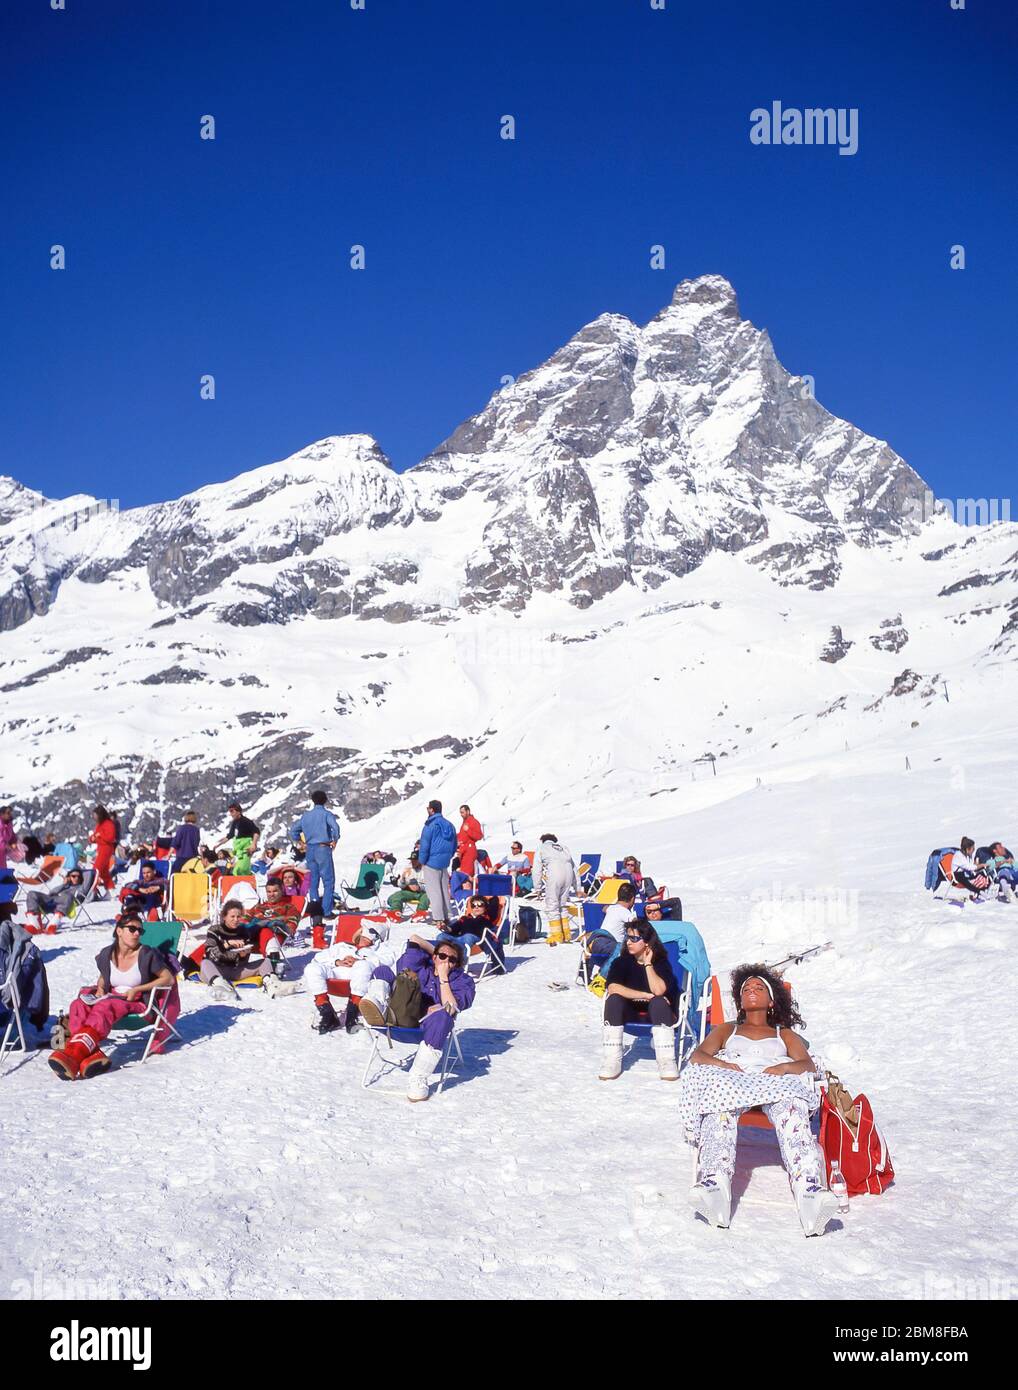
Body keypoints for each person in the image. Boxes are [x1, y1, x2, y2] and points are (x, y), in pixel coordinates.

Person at [680, 965, 838, 1236]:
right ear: (740, 1002)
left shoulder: (782, 1034)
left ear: (771, 1000)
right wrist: (722, 1064)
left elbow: (806, 1065)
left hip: (773, 1082)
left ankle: (809, 1187)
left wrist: (783, 1068)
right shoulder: (727, 1030)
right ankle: (715, 1182)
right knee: (720, 1106)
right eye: (746, 989)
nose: (752, 991)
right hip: (733, 1083)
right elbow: (699, 1057)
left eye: (759, 988)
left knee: (792, 1109)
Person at [49, 912, 177, 1080]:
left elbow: (169, 978)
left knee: (104, 1007)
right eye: (132, 929)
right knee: (77, 1005)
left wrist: (138, 988)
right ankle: (91, 1057)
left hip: (137, 1002)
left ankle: (73, 1055)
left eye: (140, 931)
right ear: (119, 931)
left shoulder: (147, 954)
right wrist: (101, 988)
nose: (137, 933)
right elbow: (104, 976)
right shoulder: (107, 954)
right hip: (111, 997)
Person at [358, 938, 476, 1102]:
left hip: (427, 1028)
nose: (446, 961)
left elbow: (452, 1008)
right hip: (401, 1015)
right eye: (442, 956)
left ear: (457, 964)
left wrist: (443, 977)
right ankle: (379, 1010)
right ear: (433, 957)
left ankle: (418, 1079)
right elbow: (414, 939)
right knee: (383, 971)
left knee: (444, 1015)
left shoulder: (463, 980)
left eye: (452, 959)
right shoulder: (422, 967)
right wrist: (433, 952)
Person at [598, 921, 680, 1082]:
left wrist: (648, 964)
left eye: (634, 939)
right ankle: (612, 1060)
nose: (629, 942)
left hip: (661, 1014)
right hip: (631, 1012)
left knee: (658, 1001)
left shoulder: (661, 963)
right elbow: (613, 987)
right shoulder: (621, 962)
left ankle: (666, 1061)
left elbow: (658, 991)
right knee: (614, 1000)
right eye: (628, 938)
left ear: (647, 942)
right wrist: (644, 995)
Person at [303, 922, 399, 1034]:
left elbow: (389, 960)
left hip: (361, 979)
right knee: (311, 968)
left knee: (362, 966)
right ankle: (327, 1014)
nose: (363, 939)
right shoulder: (342, 946)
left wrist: (361, 960)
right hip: (335, 976)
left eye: (367, 938)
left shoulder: (379, 950)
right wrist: (337, 962)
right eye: (362, 936)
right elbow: (318, 958)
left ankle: (352, 1015)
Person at [201, 900, 277, 999]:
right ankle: (223, 988)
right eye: (232, 916)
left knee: (266, 961)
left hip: (236, 970)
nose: (236, 920)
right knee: (205, 962)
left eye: (238, 917)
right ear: (224, 917)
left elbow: (242, 962)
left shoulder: (243, 932)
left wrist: (242, 956)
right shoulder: (214, 930)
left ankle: (273, 985)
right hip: (216, 970)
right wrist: (227, 945)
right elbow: (210, 954)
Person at [289, 790, 340, 918]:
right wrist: (334, 840)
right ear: (325, 800)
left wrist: (301, 842)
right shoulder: (327, 814)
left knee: (313, 880)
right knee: (328, 880)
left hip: (310, 849)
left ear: (313, 800)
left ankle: (315, 909)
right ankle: (326, 911)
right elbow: (335, 827)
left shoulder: (306, 816)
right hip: (323, 848)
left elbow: (293, 831)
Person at [418, 799, 457, 927]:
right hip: (444, 862)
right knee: (444, 889)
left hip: (431, 862)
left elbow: (425, 845)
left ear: (432, 810)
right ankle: (447, 915)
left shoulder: (430, 825)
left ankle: (438, 918)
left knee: (434, 891)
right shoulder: (450, 825)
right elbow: (454, 845)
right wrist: (448, 857)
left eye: (428, 808)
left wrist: (422, 861)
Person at [535, 833, 579, 945]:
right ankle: (566, 934)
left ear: (543, 840)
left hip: (555, 874)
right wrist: (577, 887)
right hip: (568, 875)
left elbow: (537, 870)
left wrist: (538, 888)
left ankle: (557, 936)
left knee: (552, 905)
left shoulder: (542, 848)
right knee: (562, 905)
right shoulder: (564, 848)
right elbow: (575, 869)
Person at [243, 877, 302, 955]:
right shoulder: (259, 907)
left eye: (275, 891)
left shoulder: (288, 907)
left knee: (265, 931)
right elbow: (245, 918)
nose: (271, 894)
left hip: (275, 935)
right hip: (253, 935)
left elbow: (291, 925)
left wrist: (281, 925)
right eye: (269, 892)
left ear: (281, 890)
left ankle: (272, 962)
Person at [23, 867, 90, 934]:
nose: (76, 878)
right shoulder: (65, 885)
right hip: (51, 900)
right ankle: (35, 925)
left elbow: (84, 893)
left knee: (67, 896)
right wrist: (64, 884)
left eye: (78, 876)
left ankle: (53, 924)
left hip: (65, 904)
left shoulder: (81, 887)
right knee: (31, 894)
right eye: (73, 876)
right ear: (69, 877)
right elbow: (52, 892)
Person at [583, 881, 638, 959]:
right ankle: (604, 971)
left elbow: (604, 908)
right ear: (632, 899)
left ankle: (586, 967)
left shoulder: (611, 908)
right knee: (625, 951)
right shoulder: (624, 912)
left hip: (596, 942)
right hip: (610, 945)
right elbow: (634, 921)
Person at [215, 803, 260, 876]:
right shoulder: (234, 822)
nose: (231, 814)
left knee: (240, 869)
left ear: (238, 811)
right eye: (230, 811)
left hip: (246, 849)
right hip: (239, 851)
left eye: (232, 811)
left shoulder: (246, 821)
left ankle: (247, 882)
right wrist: (218, 845)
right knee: (239, 869)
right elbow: (230, 835)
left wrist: (253, 844)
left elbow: (256, 831)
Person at [89, 805, 119, 891]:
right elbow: (95, 836)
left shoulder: (109, 824)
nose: (94, 817)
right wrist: (93, 838)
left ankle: (91, 889)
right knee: (104, 872)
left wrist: (99, 836)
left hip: (106, 849)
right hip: (101, 849)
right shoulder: (99, 824)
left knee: (96, 870)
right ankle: (110, 888)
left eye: (96, 815)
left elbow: (110, 838)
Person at [169, 811, 201, 878]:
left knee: (174, 876)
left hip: (181, 857)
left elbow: (176, 842)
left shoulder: (182, 828)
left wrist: (169, 854)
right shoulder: (196, 830)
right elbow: (197, 843)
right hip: (193, 858)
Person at [456, 805, 484, 878]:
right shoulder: (465, 822)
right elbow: (463, 835)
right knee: (463, 873)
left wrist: (468, 830)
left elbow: (479, 835)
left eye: (462, 812)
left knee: (466, 875)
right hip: (462, 851)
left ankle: (469, 888)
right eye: (460, 813)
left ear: (468, 811)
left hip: (469, 851)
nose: (461, 815)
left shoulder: (474, 821)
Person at [0, 806, 16, 870]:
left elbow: (12, 834)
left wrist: (14, 842)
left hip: (3, 852)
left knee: (3, 868)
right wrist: (6, 846)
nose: (10, 814)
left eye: (10, 812)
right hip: (2, 848)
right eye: (8, 813)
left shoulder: (9, 823)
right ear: (2, 814)